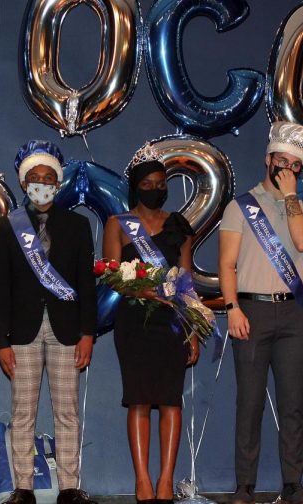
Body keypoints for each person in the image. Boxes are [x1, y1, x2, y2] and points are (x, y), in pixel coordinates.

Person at [218, 122, 303, 504]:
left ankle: (293, 483)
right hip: (252, 311)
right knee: (250, 402)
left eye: (295, 165)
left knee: (293, 403)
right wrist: (232, 308)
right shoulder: (240, 206)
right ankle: (245, 485)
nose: (287, 169)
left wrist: (291, 197)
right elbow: (226, 264)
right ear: (268, 160)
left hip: (292, 314)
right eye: (282, 162)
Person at [0, 140, 97, 504]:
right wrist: (1, 341)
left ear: (58, 182)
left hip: (68, 331)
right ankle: (24, 487)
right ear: (24, 183)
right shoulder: (9, 227)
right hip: (22, 331)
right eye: (34, 177)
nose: (41, 183)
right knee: (23, 412)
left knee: (67, 411)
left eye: (48, 177)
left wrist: (88, 334)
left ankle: (69, 487)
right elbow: (0, 287)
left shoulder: (79, 226)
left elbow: (87, 283)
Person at [102, 143, 197, 504]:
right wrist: (144, 290)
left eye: (161, 183)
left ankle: (165, 482)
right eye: (149, 183)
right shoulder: (118, 224)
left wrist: (193, 330)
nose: (156, 188)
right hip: (135, 322)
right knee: (139, 400)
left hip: (172, 322)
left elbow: (186, 281)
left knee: (171, 401)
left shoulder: (179, 226)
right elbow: (110, 274)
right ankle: (142, 481)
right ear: (136, 186)